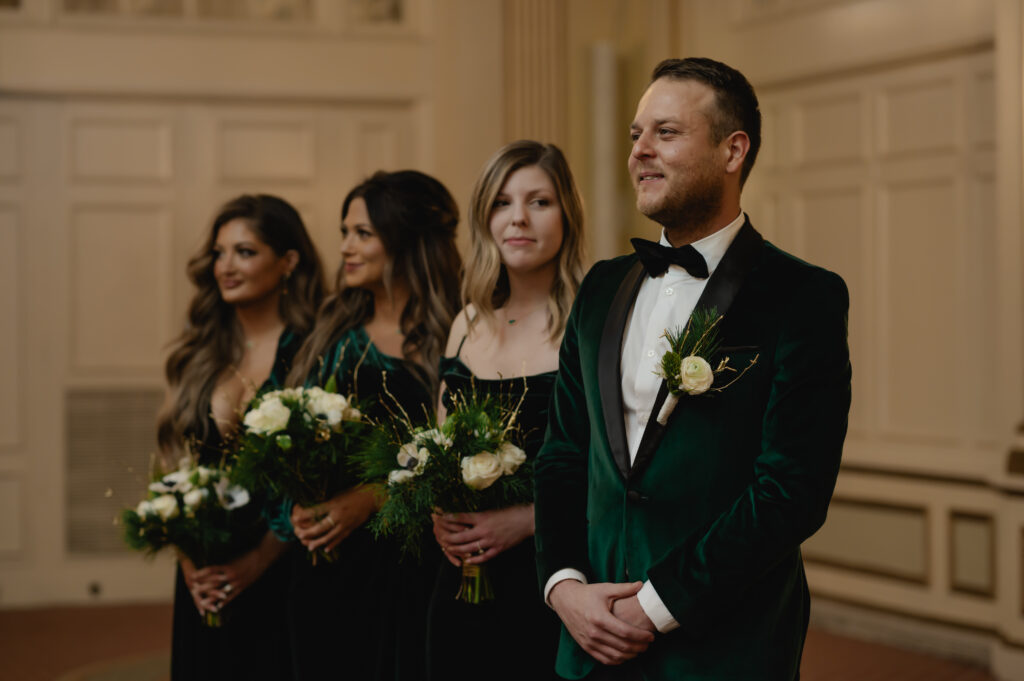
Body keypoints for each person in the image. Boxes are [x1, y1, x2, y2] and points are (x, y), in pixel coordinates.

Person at [534, 57, 852, 680]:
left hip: (723, 642)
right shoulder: (600, 288)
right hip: (589, 635)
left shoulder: (801, 296)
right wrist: (563, 585)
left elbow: (791, 489)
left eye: (666, 133)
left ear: (733, 151)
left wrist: (656, 606)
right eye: (635, 135)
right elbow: (563, 454)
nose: (640, 152)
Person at [281, 170, 463, 681]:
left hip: (414, 560)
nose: (345, 247)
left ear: (405, 240)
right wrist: (299, 498)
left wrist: (373, 497)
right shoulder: (331, 328)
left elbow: (458, 453)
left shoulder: (459, 330)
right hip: (327, 561)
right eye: (345, 233)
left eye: (362, 233)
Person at [428, 140, 586, 681]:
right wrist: (437, 512)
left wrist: (527, 520)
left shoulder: (592, 322)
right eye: (501, 202)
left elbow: (619, 467)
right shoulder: (466, 320)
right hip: (460, 576)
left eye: (539, 201)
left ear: (566, 213)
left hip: (553, 576)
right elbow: (438, 450)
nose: (518, 218)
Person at [157, 194, 325, 681]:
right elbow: (174, 464)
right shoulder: (200, 350)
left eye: (245, 252)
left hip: (285, 562)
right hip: (205, 565)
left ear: (288, 261)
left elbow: (316, 476)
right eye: (219, 252)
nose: (226, 266)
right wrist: (190, 557)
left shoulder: (314, 350)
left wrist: (258, 561)